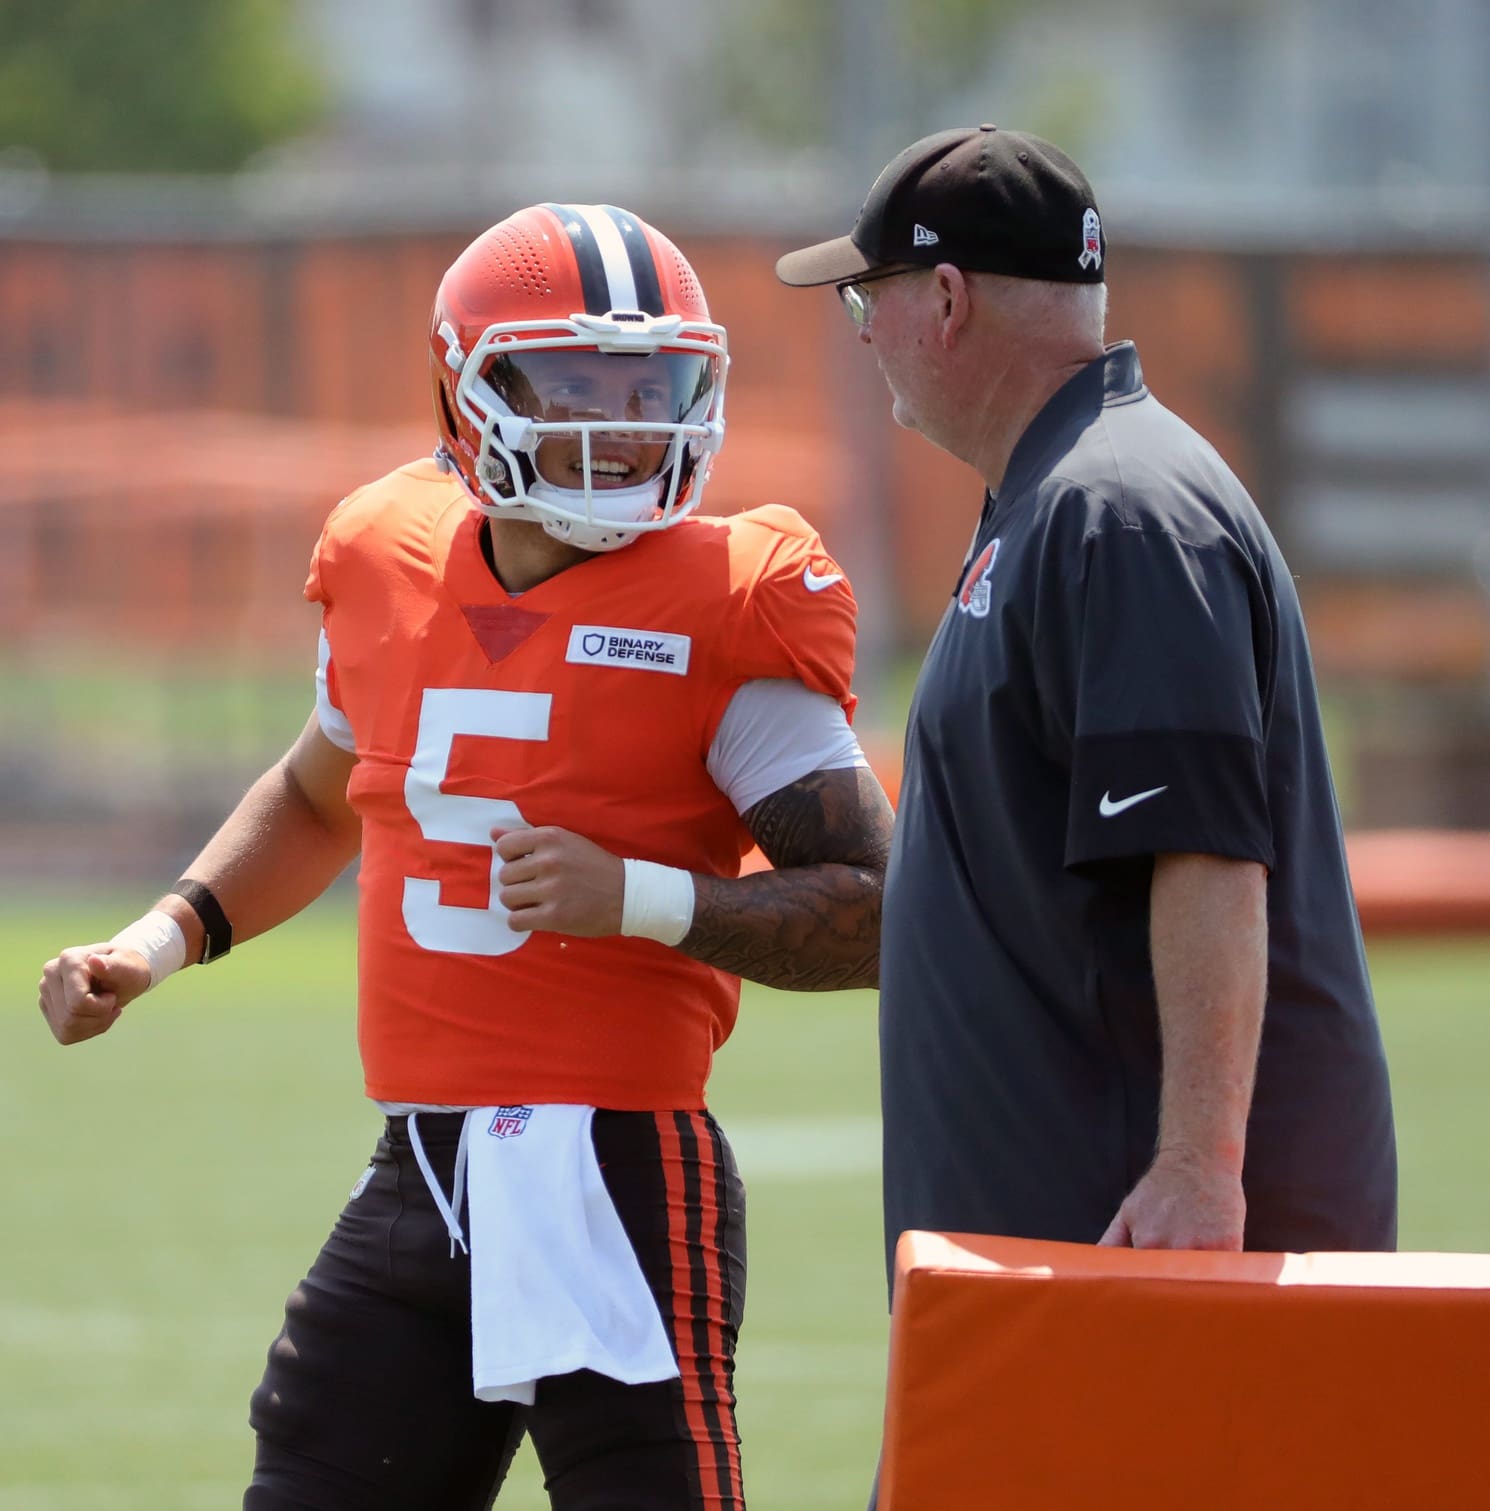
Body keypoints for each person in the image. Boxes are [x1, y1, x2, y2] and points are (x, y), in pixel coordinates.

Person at [38, 202, 894, 1511]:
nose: (622, 424)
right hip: (423, 1161)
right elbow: (321, 794)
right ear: (466, 391)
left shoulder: (728, 597)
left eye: (652, 387)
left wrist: (646, 899)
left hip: (614, 1166)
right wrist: (155, 943)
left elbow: (886, 912)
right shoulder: (388, 551)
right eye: (578, 385)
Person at [775, 127, 1397, 1274]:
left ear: (947, 300)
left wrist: (1199, 1167)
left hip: (1126, 1245)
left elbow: (1203, 853)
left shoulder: (1116, 513)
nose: (866, 337)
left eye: (870, 302)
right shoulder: (1058, 496)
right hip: (1056, 1239)